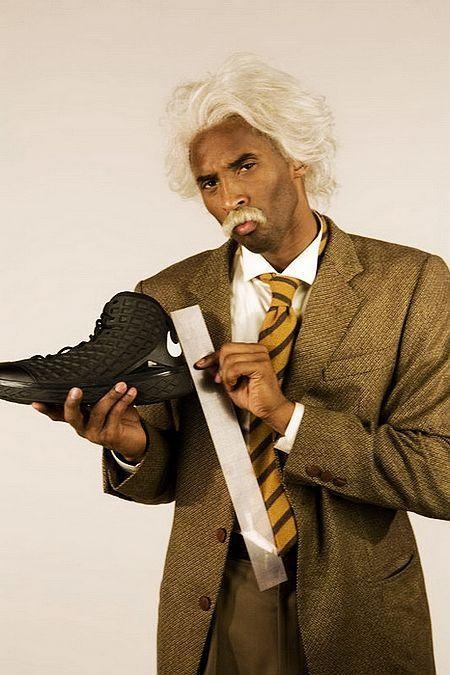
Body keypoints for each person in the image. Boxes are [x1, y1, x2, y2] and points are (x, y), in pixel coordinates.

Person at [32, 54, 449, 674]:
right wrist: (131, 446)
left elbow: (441, 472)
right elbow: (170, 472)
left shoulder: (410, 283)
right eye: (209, 182)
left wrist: (287, 416)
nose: (230, 196)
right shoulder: (170, 294)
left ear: (297, 157)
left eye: (244, 164)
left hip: (359, 606)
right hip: (215, 599)